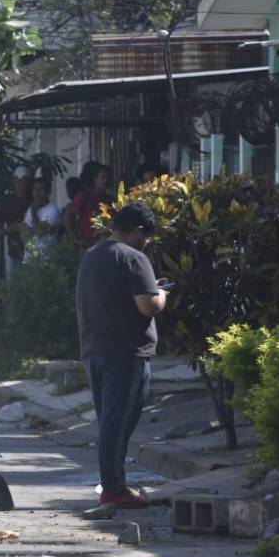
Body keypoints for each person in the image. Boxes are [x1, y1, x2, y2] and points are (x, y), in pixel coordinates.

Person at [76, 202, 166, 510]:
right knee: (120, 422)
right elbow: (148, 306)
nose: (148, 243)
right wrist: (163, 294)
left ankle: (115, 483)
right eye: (147, 236)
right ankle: (114, 488)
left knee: (109, 420)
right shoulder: (133, 257)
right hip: (126, 352)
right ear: (138, 231)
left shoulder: (92, 256)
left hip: (94, 350)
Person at [0, 168, 32, 275]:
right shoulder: (6, 201)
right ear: (14, 180)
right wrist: (12, 229)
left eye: (25, 180)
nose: (22, 183)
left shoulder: (34, 198)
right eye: (20, 180)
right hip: (15, 251)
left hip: (35, 250)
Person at [65, 162, 111, 249]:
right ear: (95, 178)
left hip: (106, 246)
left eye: (108, 178)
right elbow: (68, 217)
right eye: (102, 177)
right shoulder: (84, 196)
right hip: (87, 246)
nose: (106, 180)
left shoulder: (110, 199)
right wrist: (76, 239)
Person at [23, 177, 61, 258]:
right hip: (29, 258)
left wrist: (34, 213)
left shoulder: (52, 210)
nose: (37, 193)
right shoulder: (31, 209)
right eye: (35, 190)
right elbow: (25, 234)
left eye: (41, 190)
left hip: (45, 260)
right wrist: (38, 226)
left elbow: (39, 232)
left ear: (48, 192)